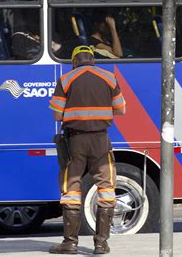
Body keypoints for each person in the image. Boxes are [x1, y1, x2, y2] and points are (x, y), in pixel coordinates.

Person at [48, 46, 126, 255]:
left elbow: (56, 115)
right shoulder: (109, 78)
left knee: (71, 189)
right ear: (93, 59)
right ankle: (101, 243)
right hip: (101, 139)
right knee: (106, 188)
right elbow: (121, 109)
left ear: (74, 61)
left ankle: (70, 243)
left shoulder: (66, 79)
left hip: (75, 141)